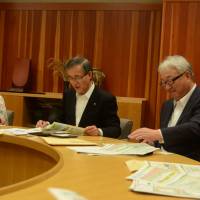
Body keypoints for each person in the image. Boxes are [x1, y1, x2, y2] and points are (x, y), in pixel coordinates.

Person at [128, 55, 200, 161]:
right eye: (164, 83)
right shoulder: (167, 105)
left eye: (170, 81)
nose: (167, 87)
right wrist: (153, 141)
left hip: (190, 164)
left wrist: (157, 134)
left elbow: (195, 128)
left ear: (187, 75)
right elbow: (169, 138)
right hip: (162, 161)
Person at [36, 56, 121, 138]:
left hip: (91, 147)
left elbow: (115, 129)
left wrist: (98, 131)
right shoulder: (69, 95)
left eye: (78, 77)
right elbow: (58, 118)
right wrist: (47, 124)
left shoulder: (105, 98)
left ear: (90, 75)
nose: (74, 82)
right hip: (68, 144)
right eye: (70, 78)